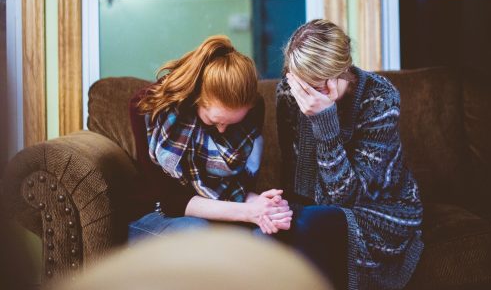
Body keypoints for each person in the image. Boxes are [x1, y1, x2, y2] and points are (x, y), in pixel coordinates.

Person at [276, 19, 424, 290]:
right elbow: (294, 174)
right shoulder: (289, 92)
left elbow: (345, 198)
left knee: (311, 224)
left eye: (315, 86)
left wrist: (325, 120)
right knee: (277, 226)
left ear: (342, 72)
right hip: (317, 206)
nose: (305, 95)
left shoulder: (379, 98)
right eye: (300, 83)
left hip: (381, 209)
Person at [128, 35, 292, 240]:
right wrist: (249, 212)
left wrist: (265, 205)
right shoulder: (148, 109)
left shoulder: (253, 111)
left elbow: (238, 189)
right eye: (214, 121)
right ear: (196, 99)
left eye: (231, 123)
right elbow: (172, 201)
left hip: (218, 213)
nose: (222, 130)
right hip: (157, 213)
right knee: (198, 232)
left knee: (268, 236)